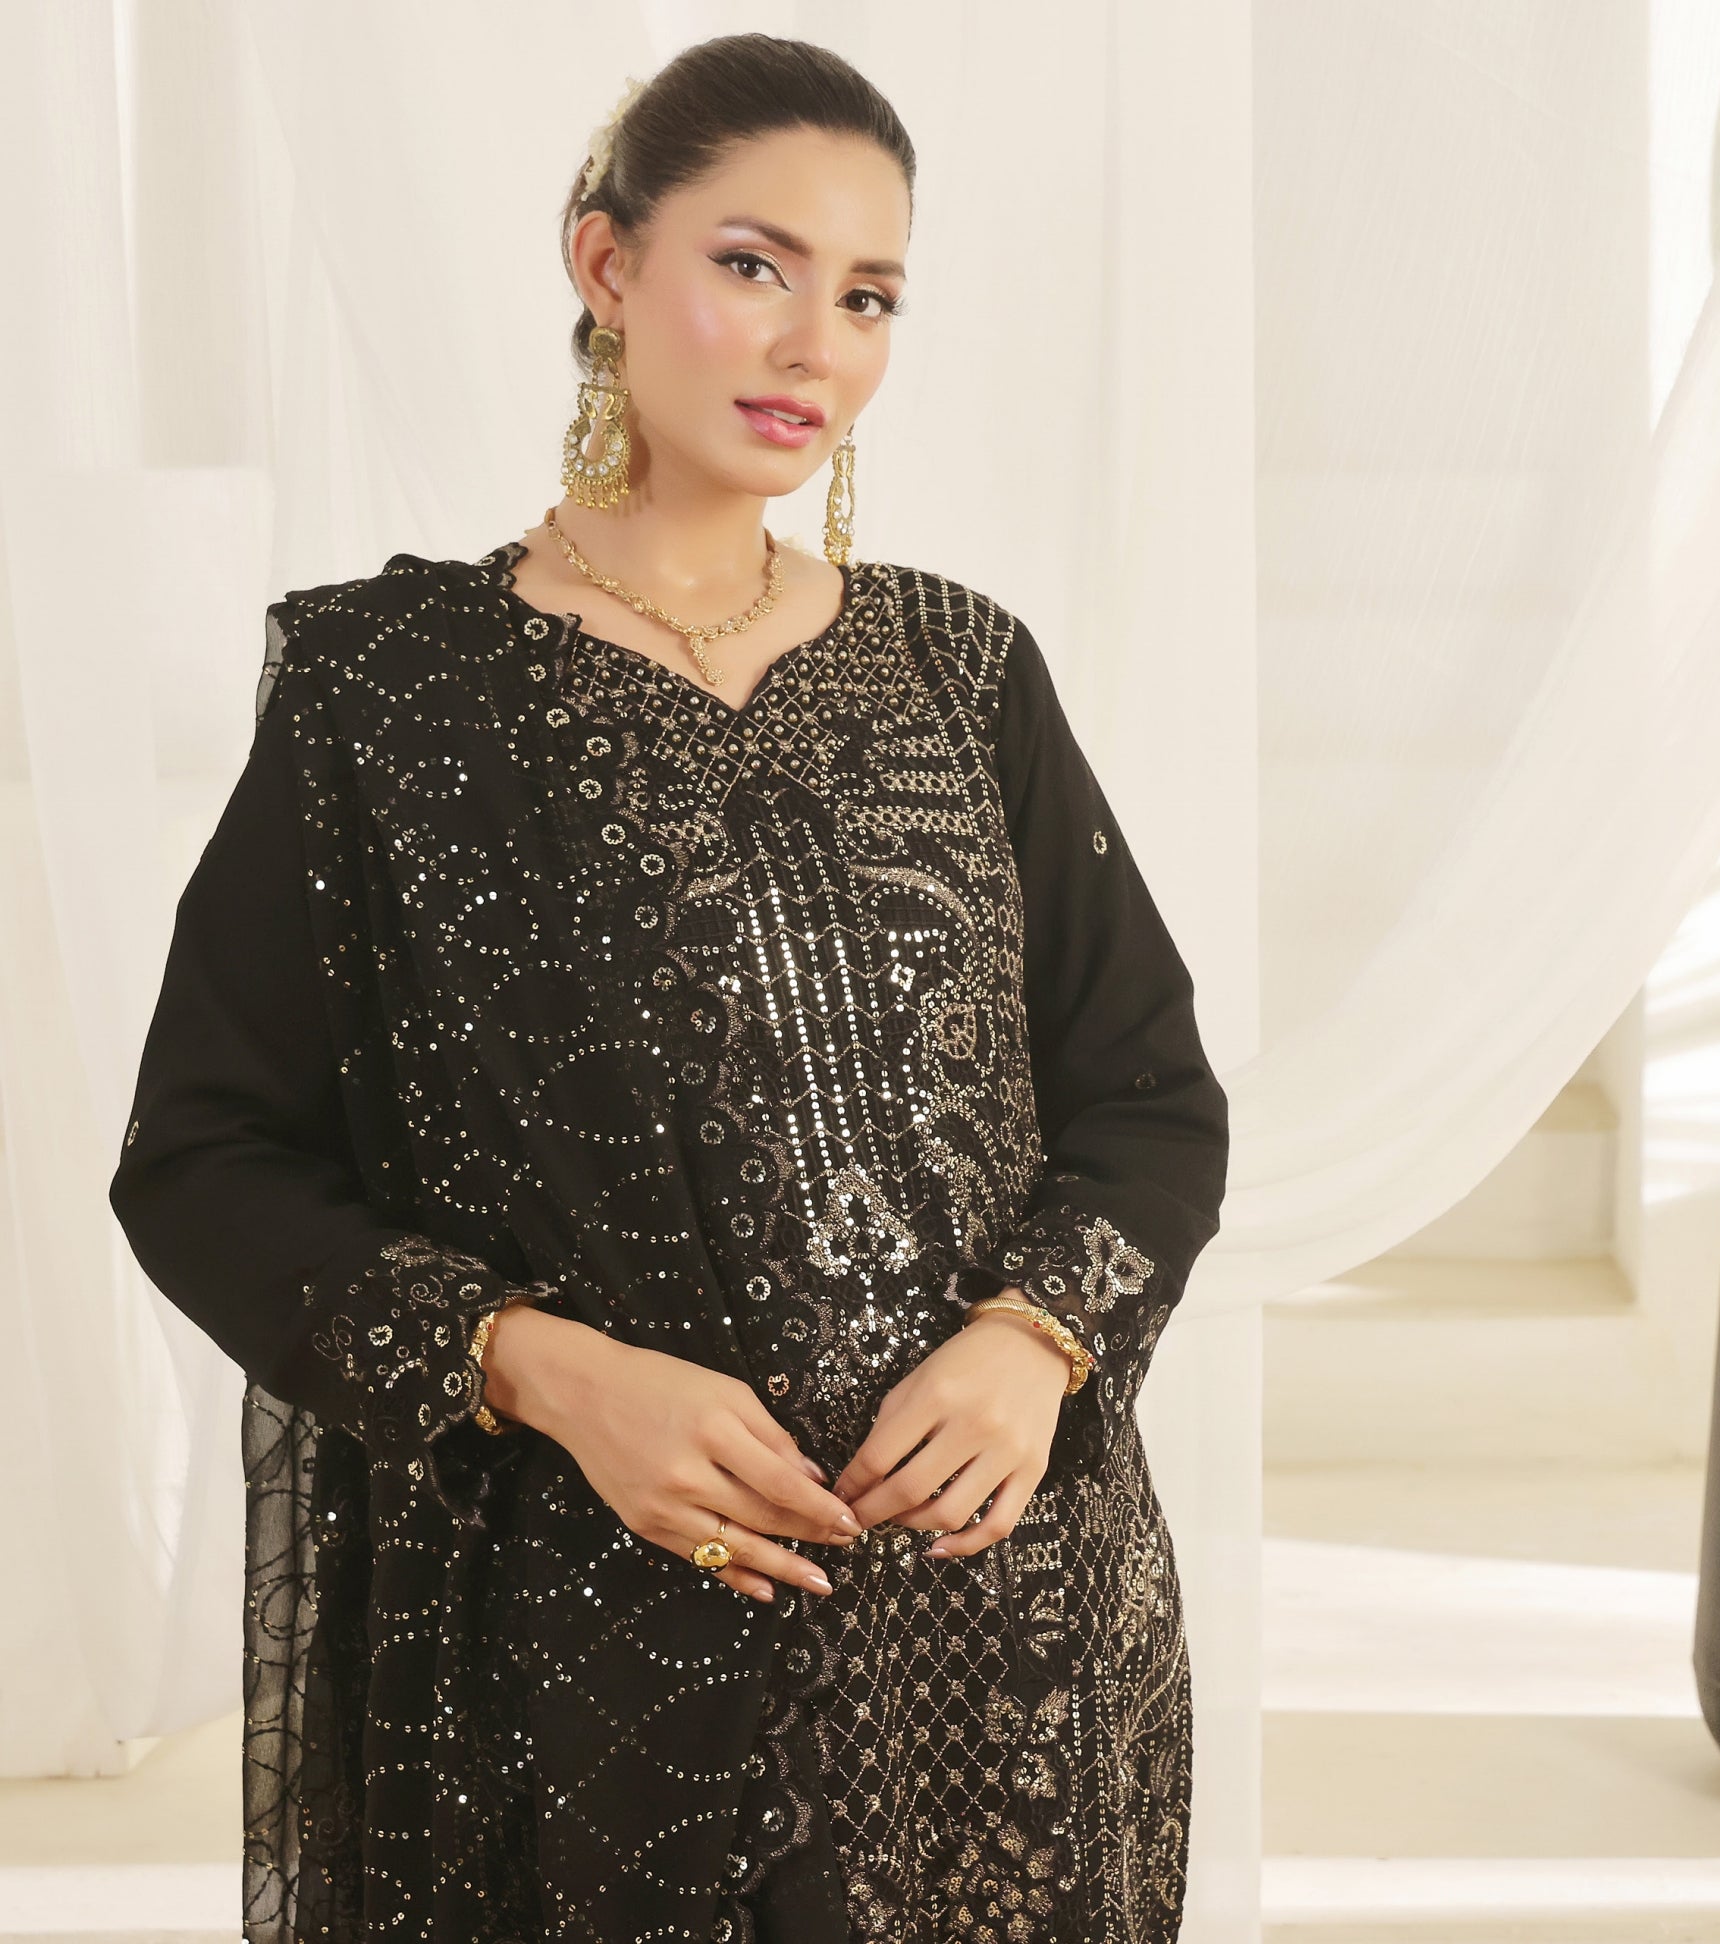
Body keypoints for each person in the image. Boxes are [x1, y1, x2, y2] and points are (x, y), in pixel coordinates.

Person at [107, 33, 1227, 1944]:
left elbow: (1148, 1099)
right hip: (579, 1650)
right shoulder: (392, 695)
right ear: (606, 262)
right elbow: (204, 1163)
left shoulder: (962, 671)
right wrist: (548, 1373)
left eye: (867, 296)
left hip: (1000, 1645)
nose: (814, 345)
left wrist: (1034, 1342)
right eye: (754, 264)